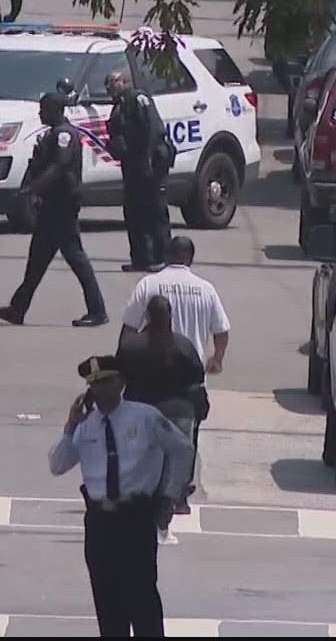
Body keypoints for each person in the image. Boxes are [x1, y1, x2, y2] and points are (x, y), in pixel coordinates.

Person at [49, 355, 194, 637]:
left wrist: (168, 495)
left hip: (135, 517)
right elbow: (58, 465)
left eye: (106, 381)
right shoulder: (86, 425)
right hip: (100, 520)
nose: (100, 389)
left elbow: (182, 449)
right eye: (94, 384)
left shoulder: (144, 416)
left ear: (121, 383)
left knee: (142, 598)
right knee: (106, 598)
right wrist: (70, 426)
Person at [0, 91, 108, 327]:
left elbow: (59, 166)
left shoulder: (64, 134)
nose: (40, 113)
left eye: (44, 109)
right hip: (51, 206)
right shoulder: (52, 134)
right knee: (37, 260)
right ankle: (18, 309)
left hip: (62, 205)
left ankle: (97, 311)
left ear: (55, 110)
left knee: (76, 258)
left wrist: (33, 189)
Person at [115, 295, 205, 545]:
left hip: (139, 411)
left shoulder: (131, 345)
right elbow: (196, 380)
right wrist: (201, 408)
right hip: (178, 412)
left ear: (147, 317)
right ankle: (167, 509)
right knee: (174, 467)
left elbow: (117, 376)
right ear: (171, 317)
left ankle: (138, 516)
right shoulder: (183, 345)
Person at [118, 237, 229, 371]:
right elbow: (221, 331)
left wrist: (122, 364)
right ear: (191, 259)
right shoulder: (206, 289)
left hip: (154, 371)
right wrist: (217, 359)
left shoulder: (148, 284)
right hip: (192, 373)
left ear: (167, 256)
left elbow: (130, 327)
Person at [104, 69, 174, 272]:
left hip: (150, 166)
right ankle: (141, 258)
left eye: (112, 82)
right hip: (133, 168)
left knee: (155, 212)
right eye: (107, 83)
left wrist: (147, 162)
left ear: (124, 82)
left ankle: (162, 259)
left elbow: (151, 131)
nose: (108, 87)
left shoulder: (138, 98)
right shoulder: (121, 106)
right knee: (134, 213)